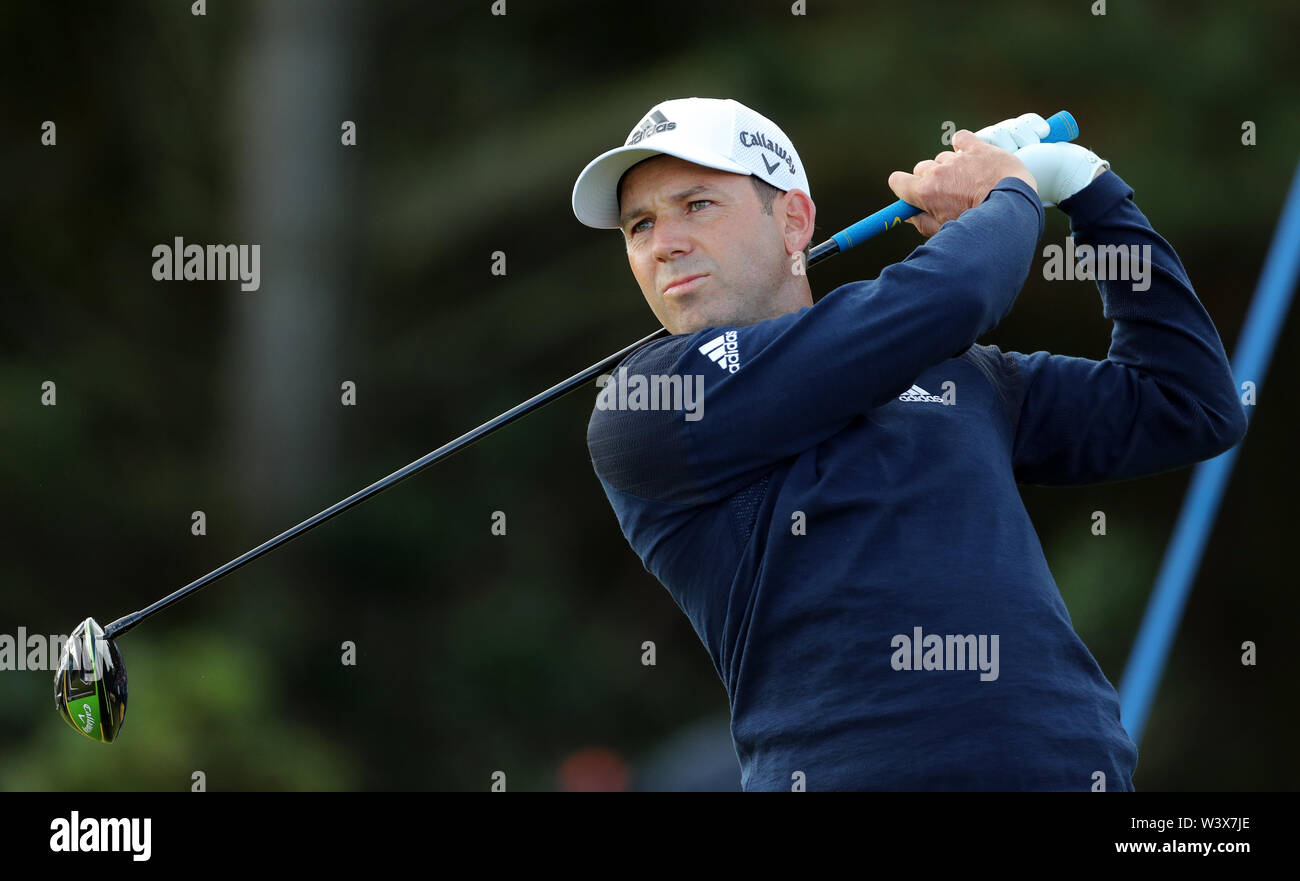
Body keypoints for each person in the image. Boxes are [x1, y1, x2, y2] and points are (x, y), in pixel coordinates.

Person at [570, 97, 1247, 791]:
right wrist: (1011, 190)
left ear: (794, 222)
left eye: (697, 205)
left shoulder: (958, 372)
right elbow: (952, 294)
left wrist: (1089, 190)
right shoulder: (647, 405)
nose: (664, 243)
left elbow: (1187, 403)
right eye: (640, 225)